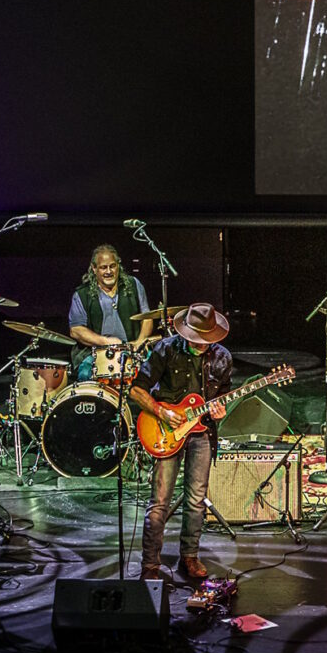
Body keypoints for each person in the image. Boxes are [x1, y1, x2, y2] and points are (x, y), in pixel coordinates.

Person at [129, 304, 232, 581]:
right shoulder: (165, 349)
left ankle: (190, 556)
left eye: (205, 340)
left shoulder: (223, 358)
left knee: (196, 500)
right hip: (165, 430)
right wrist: (161, 412)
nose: (200, 345)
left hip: (201, 432)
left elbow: (222, 396)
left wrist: (219, 411)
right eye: (195, 339)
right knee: (160, 501)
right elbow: (136, 390)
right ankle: (150, 564)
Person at [68, 244, 155, 377]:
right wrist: (106, 342)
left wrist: (140, 341)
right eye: (103, 267)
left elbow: (147, 317)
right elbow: (76, 330)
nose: (109, 271)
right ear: (94, 268)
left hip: (132, 350)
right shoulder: (82, 294)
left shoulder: (134, 285)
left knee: (155, 370)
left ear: (118, 265)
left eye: (112, 266)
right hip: (95, 353)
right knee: (85, 374)